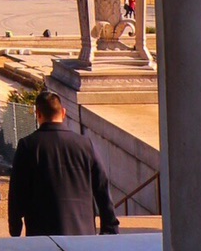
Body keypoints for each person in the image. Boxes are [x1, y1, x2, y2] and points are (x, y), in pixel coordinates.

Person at [7, 90, 120, 236]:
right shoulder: (85, 145)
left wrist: (15, 229)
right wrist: (110, 228)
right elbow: (102, 188)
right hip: (82, 233)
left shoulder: (28, 146)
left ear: (38, 114)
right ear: (64, 113)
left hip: (42, 235)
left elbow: (17, 192)